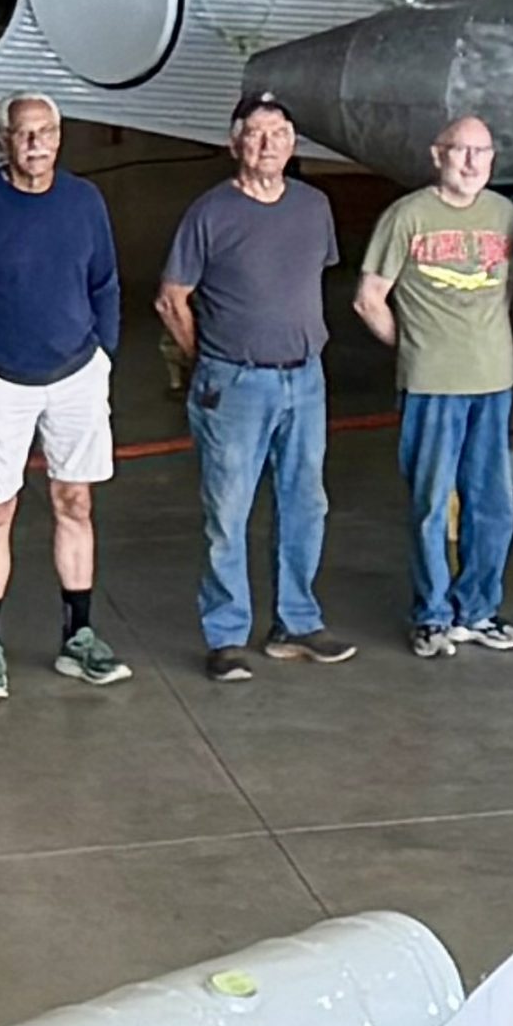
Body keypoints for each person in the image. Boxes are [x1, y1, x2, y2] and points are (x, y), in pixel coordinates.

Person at [156, 90, 353, 682]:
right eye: (257, 133)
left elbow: (309, 279)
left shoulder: (314, 206)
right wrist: (210, 358)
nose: (268, 144)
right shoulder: (209, 213)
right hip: (234, 383)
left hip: (305, 379)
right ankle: (226, 634)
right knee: (228, 510)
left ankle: (295, 623)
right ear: (234, 143)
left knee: (305, 503)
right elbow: (171, 299)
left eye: (279, 133)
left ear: (293, 145)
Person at [0, 95, 128, 701]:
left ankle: (79, 639)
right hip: (1, 381)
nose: (35, 143)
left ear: (60, 138)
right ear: (4, 140)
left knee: (75, 504)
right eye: (23, 133)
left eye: (46, 132)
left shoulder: (84, 202)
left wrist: (103, 355)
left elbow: (105, 281)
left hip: (77, 376)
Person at [354, 115, 513, 660]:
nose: (471, 162)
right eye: (460, 151)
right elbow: (369, 298)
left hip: (493, 382)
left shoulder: (505, 216)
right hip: (431, 384)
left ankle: (477, 610)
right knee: (431, 503)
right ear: (437, 155)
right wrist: (411, 348)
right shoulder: (407, 216)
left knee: (491, 504)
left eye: (482, 152)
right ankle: (431, 615)